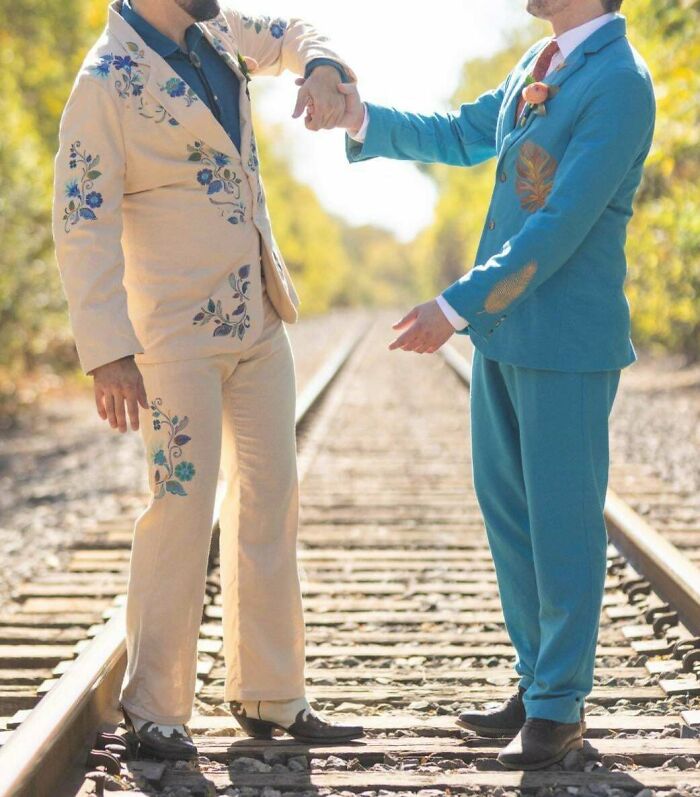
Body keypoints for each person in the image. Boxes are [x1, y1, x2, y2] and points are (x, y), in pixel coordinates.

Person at [329, 0, 655, 770]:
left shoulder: (620, 82)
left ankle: (559, 707)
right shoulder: (538, 63)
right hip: (509, 337)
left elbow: (562, 223)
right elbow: (460, 134)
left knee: (563, 521)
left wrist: (455, 305)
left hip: (568, 340)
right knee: (511, 513)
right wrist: (360, 118)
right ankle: (538, 681)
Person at [52, 0, 363, 760]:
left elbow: (293, 34)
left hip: (258, 317)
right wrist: (106, 349)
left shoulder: (217, 31)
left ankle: (270, 693)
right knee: (181, 508)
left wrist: (321, 67)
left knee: (270, 497)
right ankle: (155, 707)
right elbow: (80, 218)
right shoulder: (107, 81)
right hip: (171, 338)